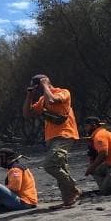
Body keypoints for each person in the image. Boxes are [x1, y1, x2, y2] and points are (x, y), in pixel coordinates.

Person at [23, 74, 81, 209]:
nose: (37, 90)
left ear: (46, 83)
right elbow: (27, 114)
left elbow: (53, 100)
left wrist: (44, 85)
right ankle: (68, 200)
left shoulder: (63, 92)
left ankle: (73, 189)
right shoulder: (42, 99)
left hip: (64, 135)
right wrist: (29, 96)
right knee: (61, 167)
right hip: (51, 138)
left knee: (50, 165)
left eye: (37, 87)